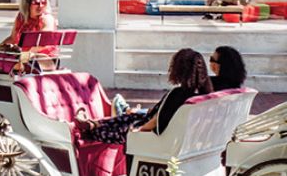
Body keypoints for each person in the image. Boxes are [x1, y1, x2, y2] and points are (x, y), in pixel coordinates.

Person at [80, 48, 212, 144]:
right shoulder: (202, 93)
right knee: (129, 117)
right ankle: (95, 123)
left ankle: (93, 127)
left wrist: (138, 130)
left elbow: (156, 120)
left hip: (154, 135)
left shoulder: (177, 94)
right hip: (178, 135)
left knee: (115, 128)